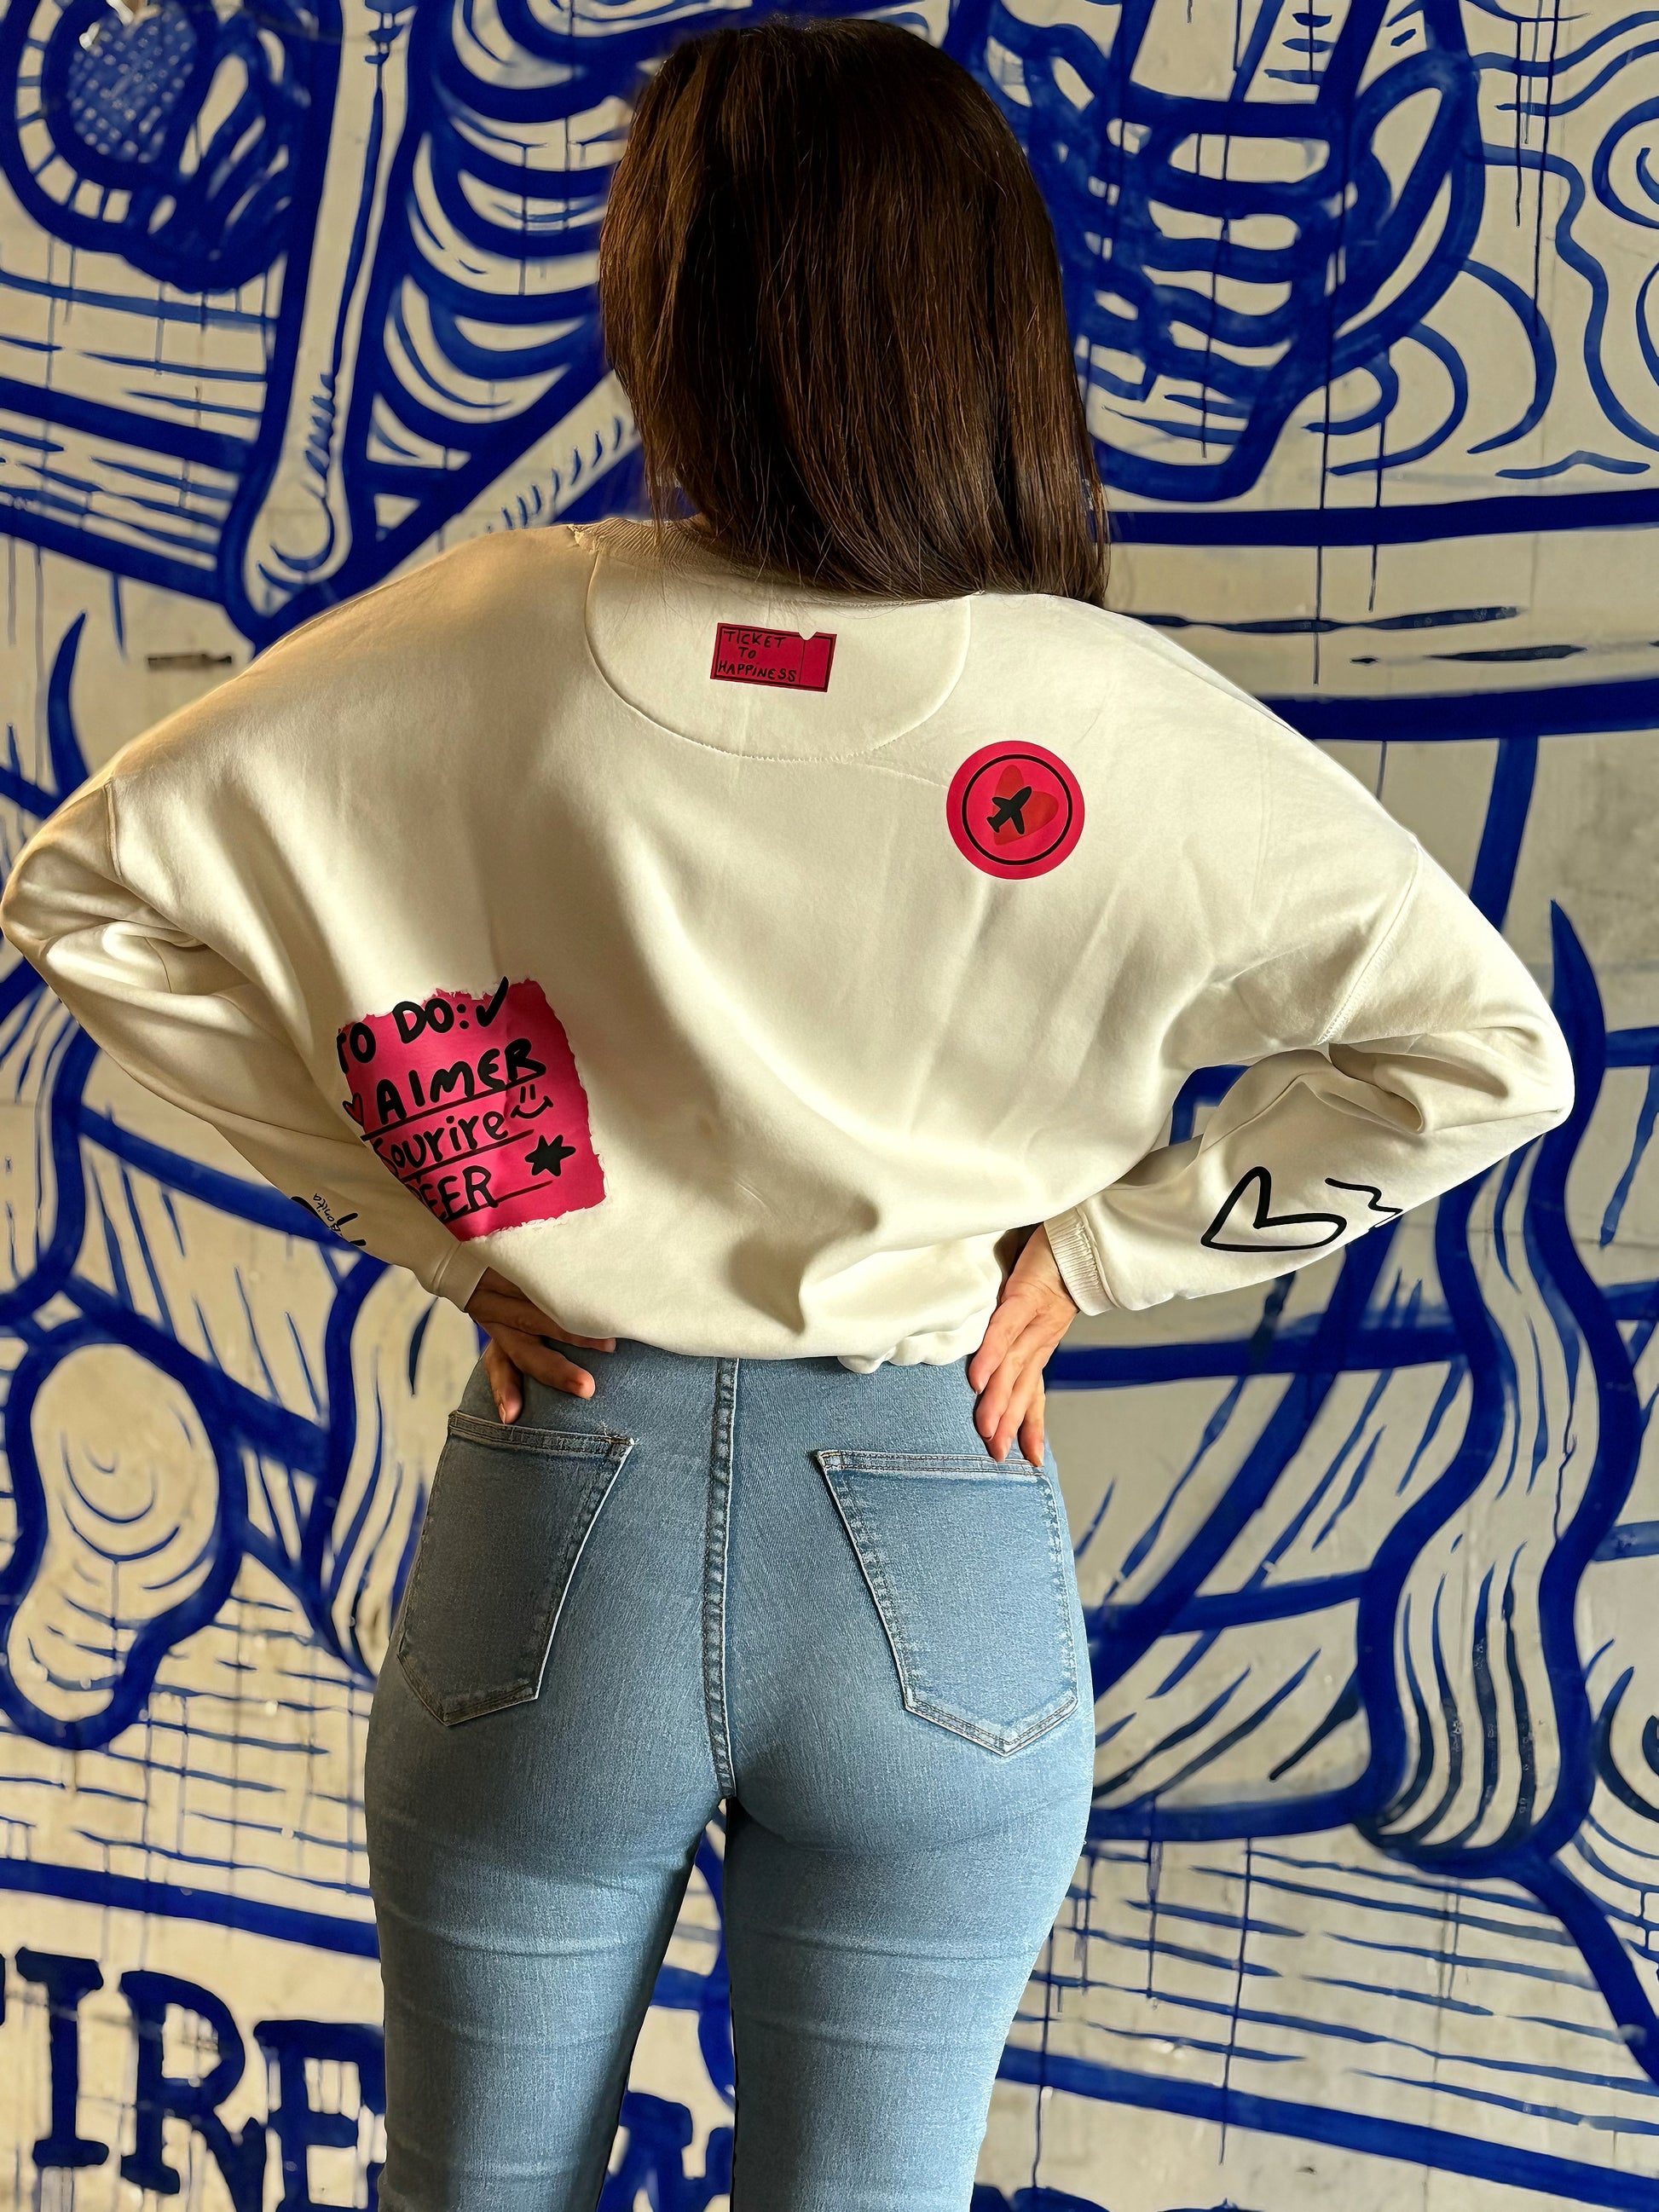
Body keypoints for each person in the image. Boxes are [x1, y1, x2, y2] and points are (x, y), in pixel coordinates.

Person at [0, 16, 1574, 2209]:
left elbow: (83, 890)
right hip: (938, 1524)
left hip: (564, 1509)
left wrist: (431, 1212)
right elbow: (1488, 1053)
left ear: (669, 305)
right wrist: (1104, 1253)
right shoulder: (1117, 714)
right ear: (985, 314)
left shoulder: (487, 633)